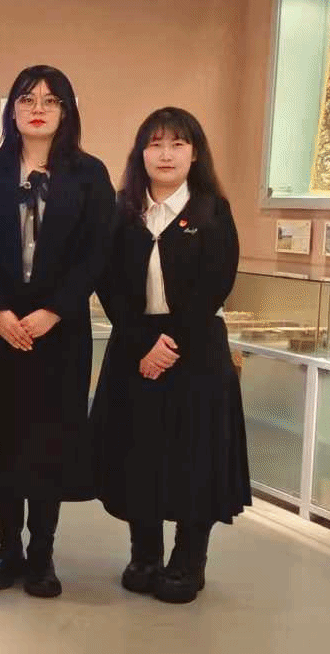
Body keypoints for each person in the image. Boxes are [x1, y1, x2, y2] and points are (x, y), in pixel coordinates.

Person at [0, 66, 113, 598]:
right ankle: (7, 548)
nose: (38, 109)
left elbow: (97, 251)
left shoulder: (89, 175)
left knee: (49, 440)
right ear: (12, 110)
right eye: (27, 99)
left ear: (66, 111)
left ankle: (43, 552)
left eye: (51, 101)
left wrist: (55, 310)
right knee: (2, 436)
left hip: (59, 331)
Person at [90, 107, 250, 604]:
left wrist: (169, 345)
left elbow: (215, 284)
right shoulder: (121, 212)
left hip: (195, 349)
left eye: (178, 144)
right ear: (141, 152)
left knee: (193, 456)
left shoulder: (213, 212)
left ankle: (188, 560)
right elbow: (108, 283)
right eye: (155, 143)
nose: (165, 154)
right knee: (139, 452)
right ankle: (144, 554)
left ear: (194, 153)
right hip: (134, 344)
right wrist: (144, 343)